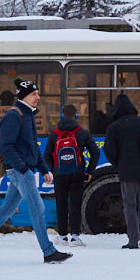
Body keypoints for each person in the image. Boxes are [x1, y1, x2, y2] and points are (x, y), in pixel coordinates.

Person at [0, 79, 71, 264]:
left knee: (6, 210)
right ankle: (48, 252)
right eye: (34, 94)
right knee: (38, 208)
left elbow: (33, 147)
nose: (38, 97)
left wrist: (43, 169)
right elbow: (7, 147)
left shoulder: (28, 115)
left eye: (38, 93)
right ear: (24, 96)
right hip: (19, 170)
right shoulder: (14, 116)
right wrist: (23, 168)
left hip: (23, 169)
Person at [103, 93, 140, 249]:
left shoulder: (115, 127)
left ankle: (133, 240)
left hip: (127, 171)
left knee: (129, 204)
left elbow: (109, 150)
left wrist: (118, 163)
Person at [43, 105, 101, 246]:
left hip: (60, 175)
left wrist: (55, 169)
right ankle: (75, 236)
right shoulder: (83, 133)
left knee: (61, 204)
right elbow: (96, 152)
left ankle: (62, 236)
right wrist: (89, 171)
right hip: (78, 174)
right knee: (76, 204)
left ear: (62, 116)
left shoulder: (54, 134)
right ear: (76, 116)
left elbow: (46, 156)